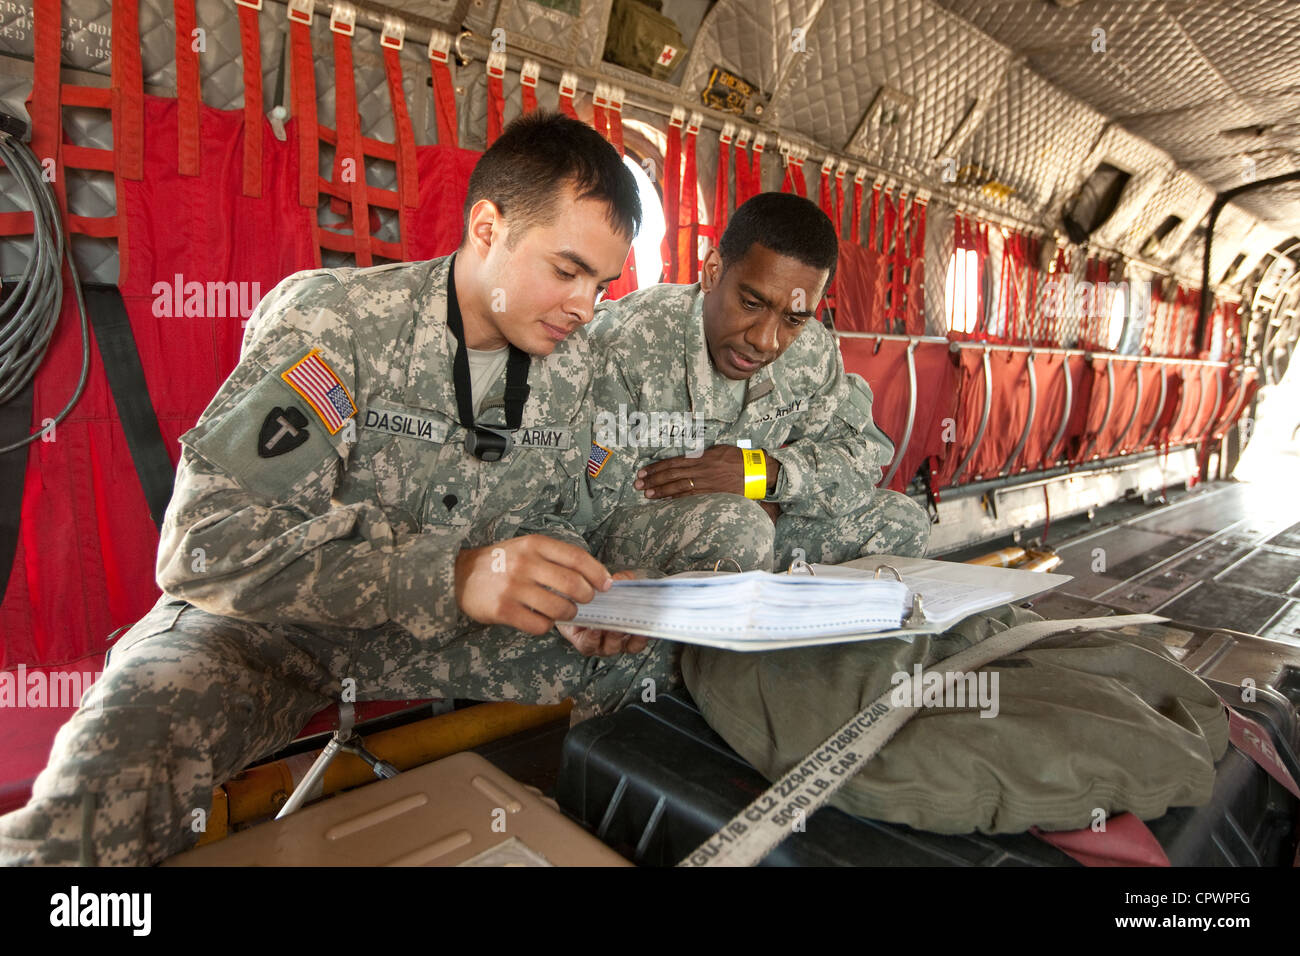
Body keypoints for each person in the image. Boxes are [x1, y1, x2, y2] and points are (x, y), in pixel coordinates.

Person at [0, 112, 763, 866]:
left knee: (669, 655)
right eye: (566, 271)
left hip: (464, 635)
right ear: (489, 227)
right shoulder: (339, 322)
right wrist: (453, 573)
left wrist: (584, 597)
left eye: (600, 282)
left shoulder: (576, 364)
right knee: (121, 757)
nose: (583, 306)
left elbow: (578, 512)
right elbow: (208, 543)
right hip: (282, 629)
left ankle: (594, 840)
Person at [586, 192, 931, 573]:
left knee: (902, 522)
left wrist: (761, 473)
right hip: (633, 535)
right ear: (713, 271)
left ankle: (810, 627)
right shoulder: (630, 341)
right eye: (752, 304)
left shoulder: (810, 350)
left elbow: (863, 456)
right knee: (741, 527)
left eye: (794, 319)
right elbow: (587, 503)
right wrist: (735, 506)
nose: (766, 340)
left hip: (753, 521)